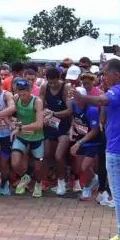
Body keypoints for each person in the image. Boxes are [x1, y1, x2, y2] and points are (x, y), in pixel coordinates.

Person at [74, 58, 120, 240]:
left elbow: (101, 100)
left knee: (119, 193)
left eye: (105, 73)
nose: (103, 77)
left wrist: (82, 97)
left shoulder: (117, 90)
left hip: (116, 149)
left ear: (115, 73)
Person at [40, 67, 73, 196]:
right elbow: (40, 106)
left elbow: (69, 111)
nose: (52, 85)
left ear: (59, 79)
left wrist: (53, 113)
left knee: (59, 155)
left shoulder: (66, 88)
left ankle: (61, 182)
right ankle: (47, 180)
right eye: (50, 82)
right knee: (47, 153)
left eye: (55, 82)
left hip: (64, 125)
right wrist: (44, 115)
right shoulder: (44, 87)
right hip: (50, 124)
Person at [10, 78, 45, 198]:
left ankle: (39, 183)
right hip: (21, 137)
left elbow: (39, 124)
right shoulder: (16, 98)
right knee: (15, 163)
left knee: (39, 168)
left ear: (30, 91)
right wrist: (12, 122)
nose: (22, 96)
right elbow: (10, 114)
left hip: (37, 137)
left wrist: (20, 127)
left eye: (24, 93)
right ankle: (25, 177)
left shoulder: (37, 102)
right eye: (20, 93)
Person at [70, 72, 102, 201]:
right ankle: (94, 179)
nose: (76, 100)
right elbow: (75, 119)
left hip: (92, 141)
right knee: (80, 168)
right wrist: (72, 129)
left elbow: (95, 131)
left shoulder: (92, 110)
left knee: (84, 167)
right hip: (80, 139)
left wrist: (79, 142)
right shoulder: (74, 105)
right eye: (74, 98)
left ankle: (87, 188)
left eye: (78, 98)